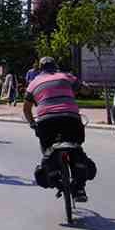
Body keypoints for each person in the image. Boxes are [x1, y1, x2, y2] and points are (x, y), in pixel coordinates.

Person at [23, 57, 91, 201]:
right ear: (56, 67)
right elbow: (86, 91)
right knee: (76, 147)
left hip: (46, 122)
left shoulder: (33, 83)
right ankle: (79, 188)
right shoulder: (66, 76)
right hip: (70, 119)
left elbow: (26, 108)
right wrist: (83, 87)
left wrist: (32, 124)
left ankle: (54, 175)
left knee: (47, 149)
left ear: (40, 69)